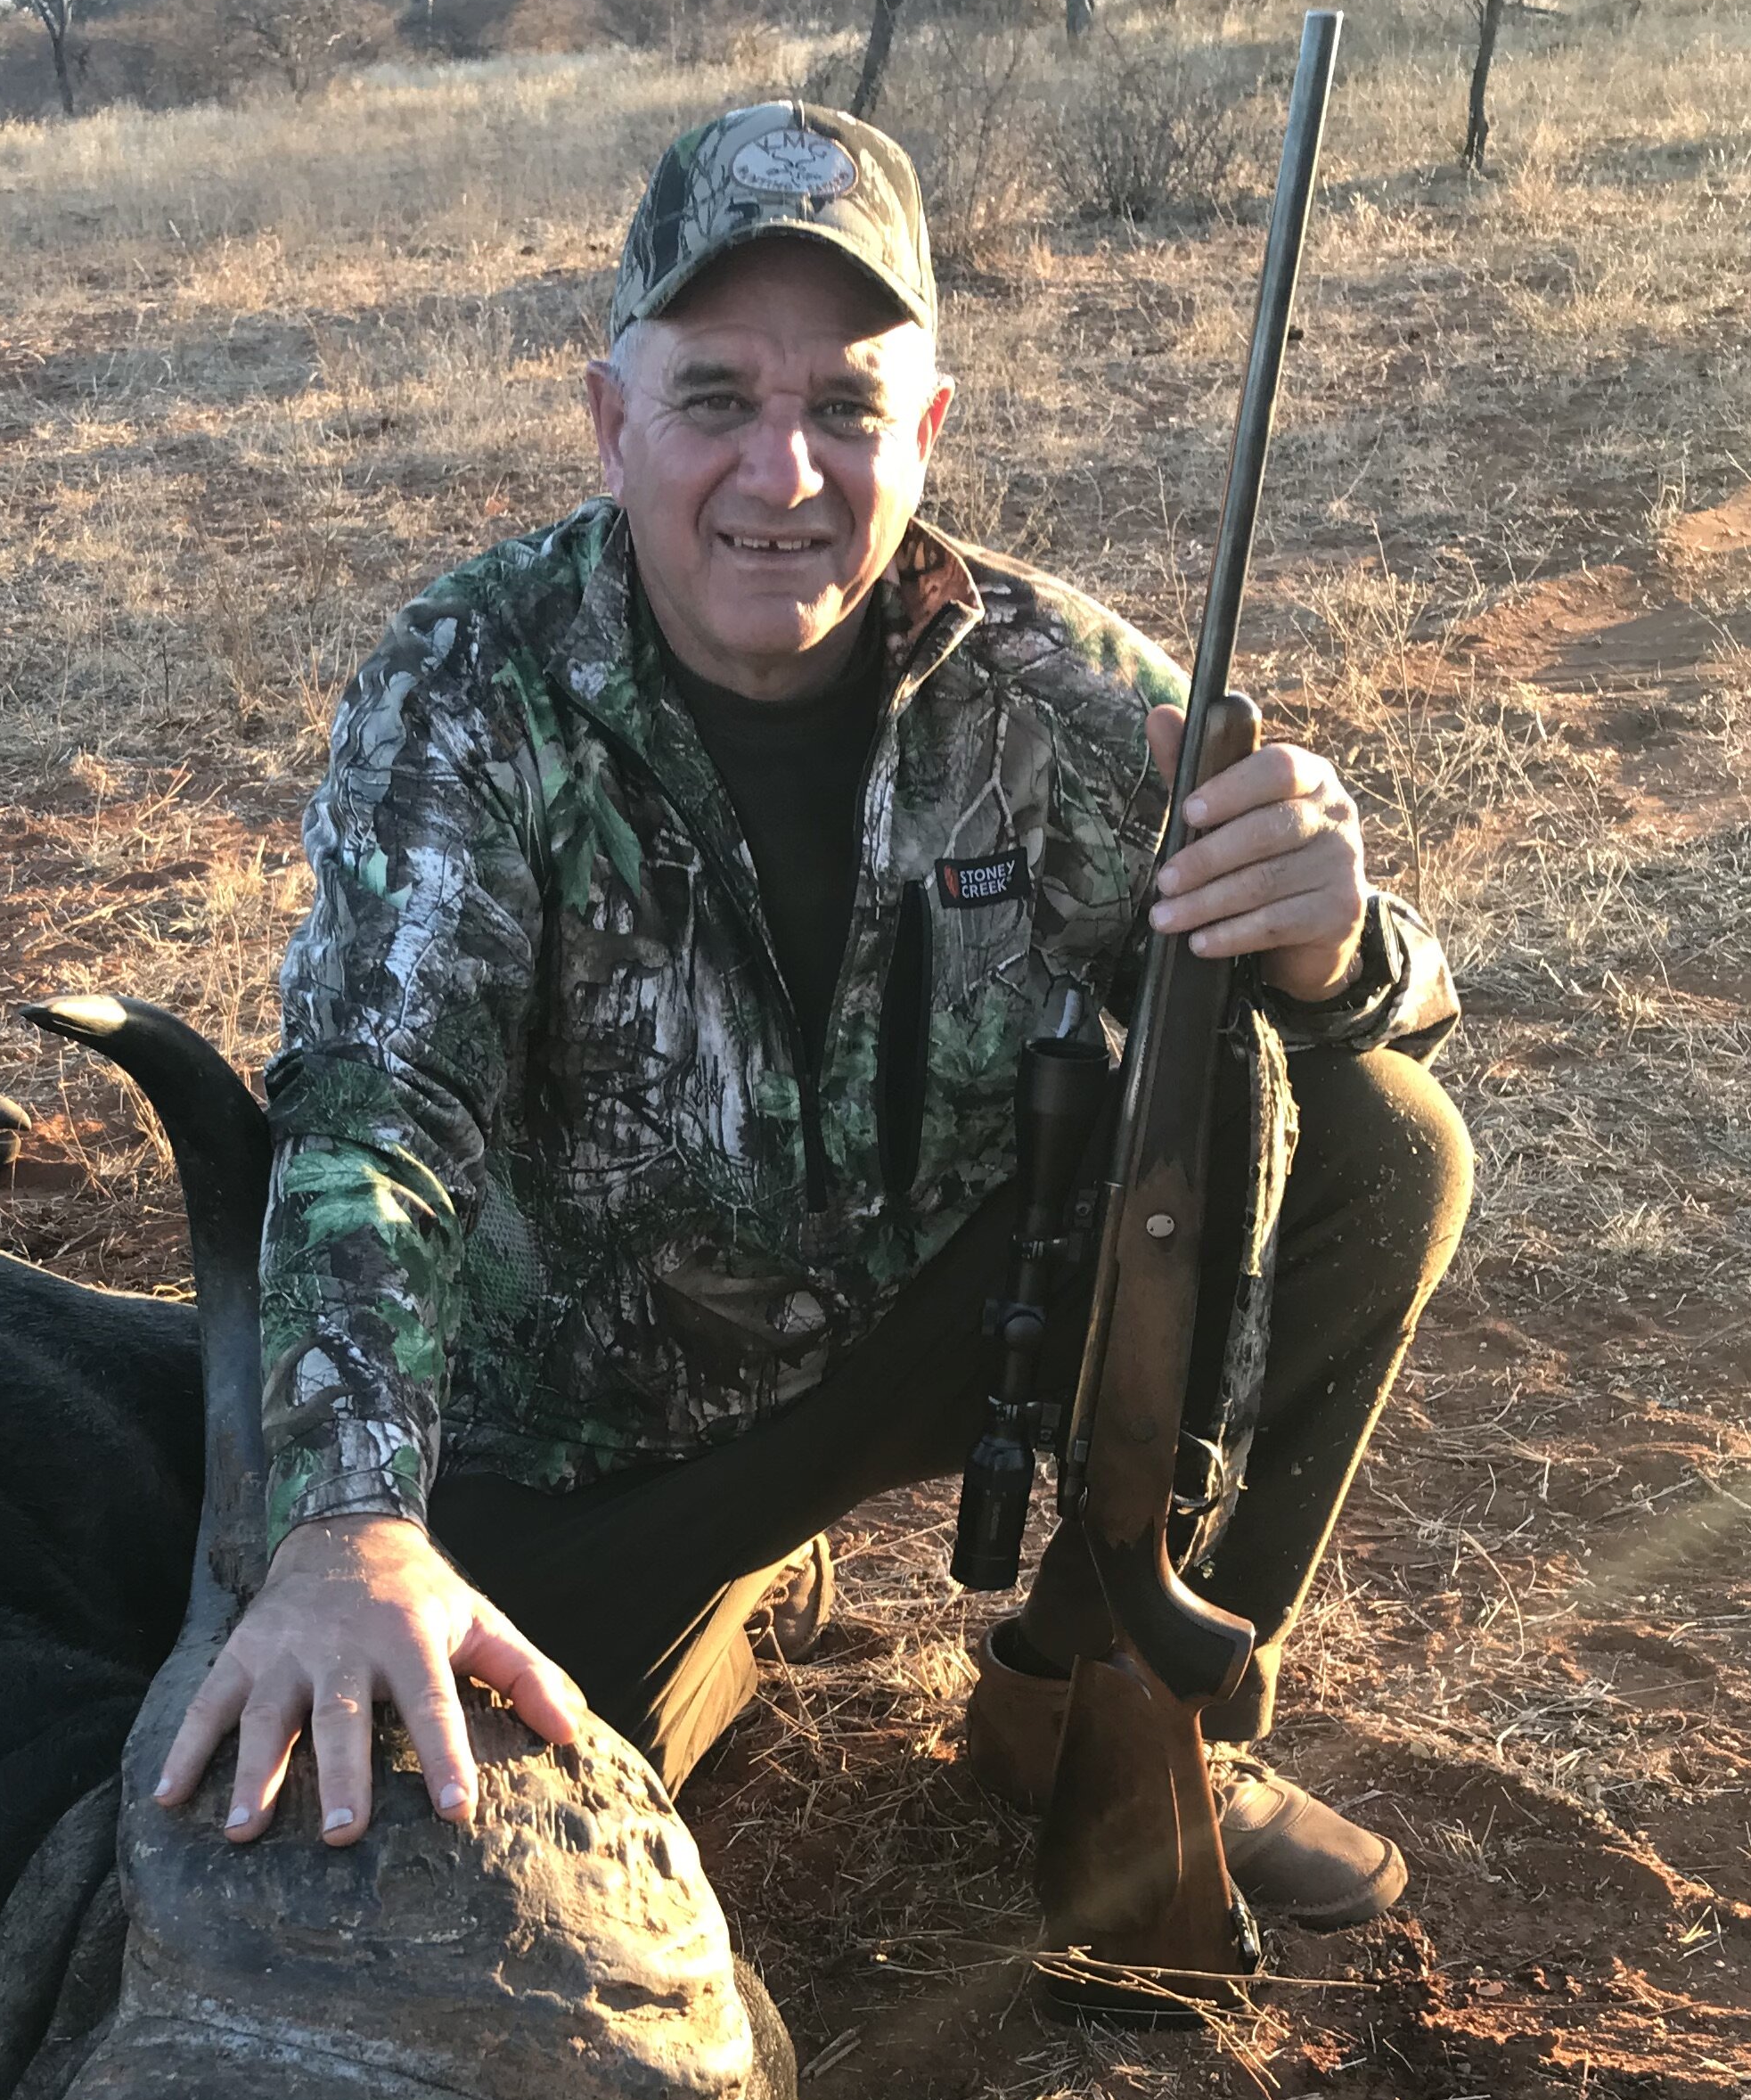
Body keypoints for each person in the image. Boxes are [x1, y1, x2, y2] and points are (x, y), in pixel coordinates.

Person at [158, 101, 1469, 1928]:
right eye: (715, 401)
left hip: (928, 1338)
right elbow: (376, 1123)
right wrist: (349, 1526)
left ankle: (1106, 1688)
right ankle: (712, 1621)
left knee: (1381, 1149)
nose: (784, 474)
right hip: (579, 1443)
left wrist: (1333, 941)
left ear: (923, 432)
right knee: (411, 1894)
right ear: (612, 422)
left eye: (846, 407)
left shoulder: (1055, 687)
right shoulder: (471, 683)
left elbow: (1392, 1007)